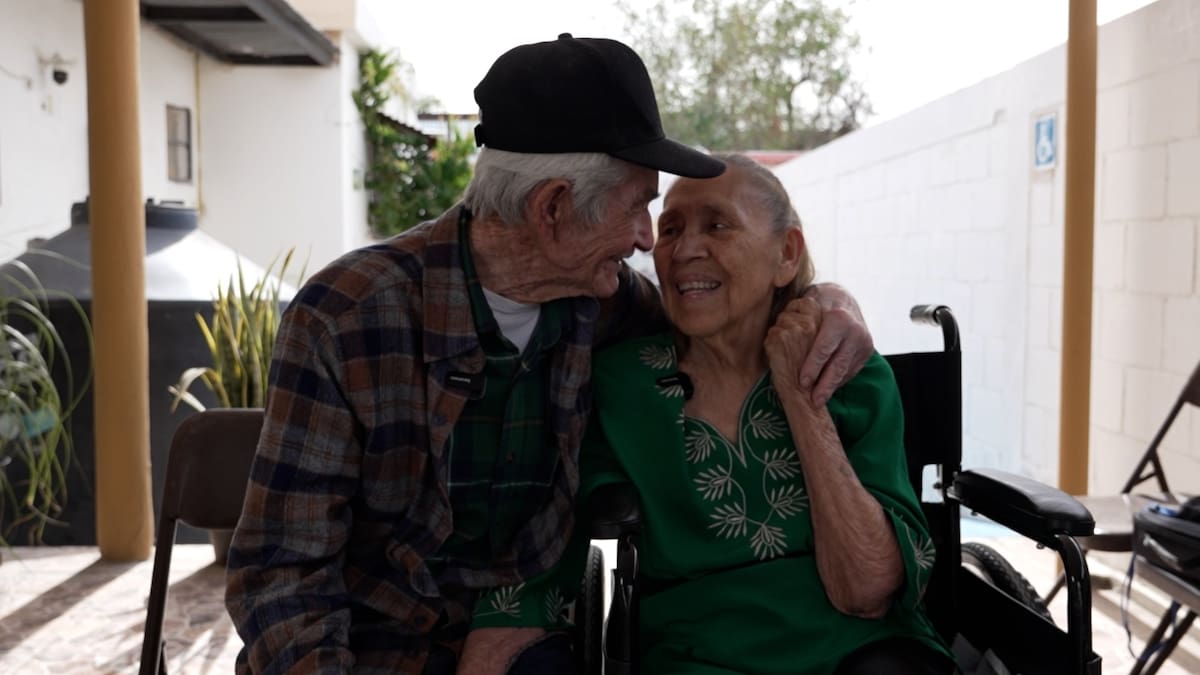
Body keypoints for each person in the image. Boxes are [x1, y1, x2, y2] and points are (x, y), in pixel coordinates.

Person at [224, 36, 874, 675]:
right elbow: (283, 575)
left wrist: (828, 301)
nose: (646, 240)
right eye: (637, 208)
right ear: (554, 207)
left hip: (529, 640)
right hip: (363, 650)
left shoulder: (607, 301)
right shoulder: (347, 317)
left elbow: (733, 312)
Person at [573, 154, 954, 674]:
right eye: (671, 229)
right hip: (697, 656)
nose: (685, 250)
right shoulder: (619, 385)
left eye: (718, 225)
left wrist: (800, 397)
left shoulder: (850, 373)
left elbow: (867, 591)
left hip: (860, 650)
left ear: (786, 254)